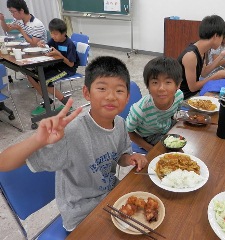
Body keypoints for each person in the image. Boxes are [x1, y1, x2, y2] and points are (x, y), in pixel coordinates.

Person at [0, 56, 148, 232]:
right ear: (86, 93)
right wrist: (37, 140)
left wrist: (130, 158)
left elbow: (120, 156)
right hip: (81, 213)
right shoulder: (71, 133)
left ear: (127, 97)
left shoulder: (120, 124)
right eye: (102, 88)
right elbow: (4, 163)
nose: (111, 96)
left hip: (112, 197)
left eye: (119, 91)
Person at [126, 56, 184, 151]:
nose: (161, 88)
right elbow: (128, 131)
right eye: (155, 82)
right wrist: (150, 149)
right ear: (147, 86)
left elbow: (174, 114)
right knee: (174, 152)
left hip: (167, 125)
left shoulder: (179, 96)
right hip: (149, 135)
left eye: (168, 82)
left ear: (178, 85)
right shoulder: (139, 110)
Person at [28, 18, 80, 116]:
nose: (53, 36)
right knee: (31, 75)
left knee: (45, 81)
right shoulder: (53, 40)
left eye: (55, 34)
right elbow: (47, 47)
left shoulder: (69, 44)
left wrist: (60, 55)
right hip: (55, 66)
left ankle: (67, 104)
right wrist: (42, 45)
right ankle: (47, 101)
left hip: (66, 69)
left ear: (64, 33)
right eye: (51, 33)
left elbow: (71, 64)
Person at [177, 15, 225, 99]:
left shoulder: (203, 50)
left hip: (193, 93)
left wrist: (221, 55)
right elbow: (193, 88)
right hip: (184, 97)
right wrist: (214, 77)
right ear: (216, 36)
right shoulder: (191, 56)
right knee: (223, 101)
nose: (222, 41)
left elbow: (204, 72)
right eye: (222, 37)